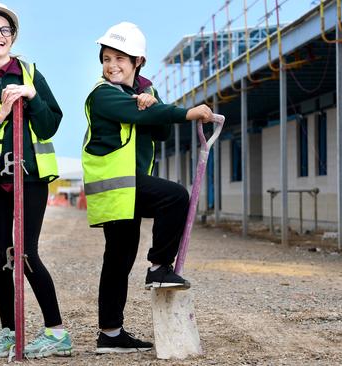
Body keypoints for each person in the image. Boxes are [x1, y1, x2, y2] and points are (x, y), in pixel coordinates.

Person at [82, 22, 214, 354]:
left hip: (126, 188)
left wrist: (150, 104)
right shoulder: (103, 94)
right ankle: (159, 267)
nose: (112, 66)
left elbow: (160, 133)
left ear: (138, 61)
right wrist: (187, 112)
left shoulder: (141, 93)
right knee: (175, 196)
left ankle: (110, 335)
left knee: (118, 258)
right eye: (107, 58)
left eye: (120, 59)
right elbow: (150, 120)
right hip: (115, 186)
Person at [0, 2, 71, 359]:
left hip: (31, 177)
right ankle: (9, 331)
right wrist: (2, 113)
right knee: (0, 258)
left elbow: (51, 123)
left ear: (13, 36)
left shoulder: (30, 73)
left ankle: (56, 332)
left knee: (25, 253)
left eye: (5, 30)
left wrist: (32, 96)